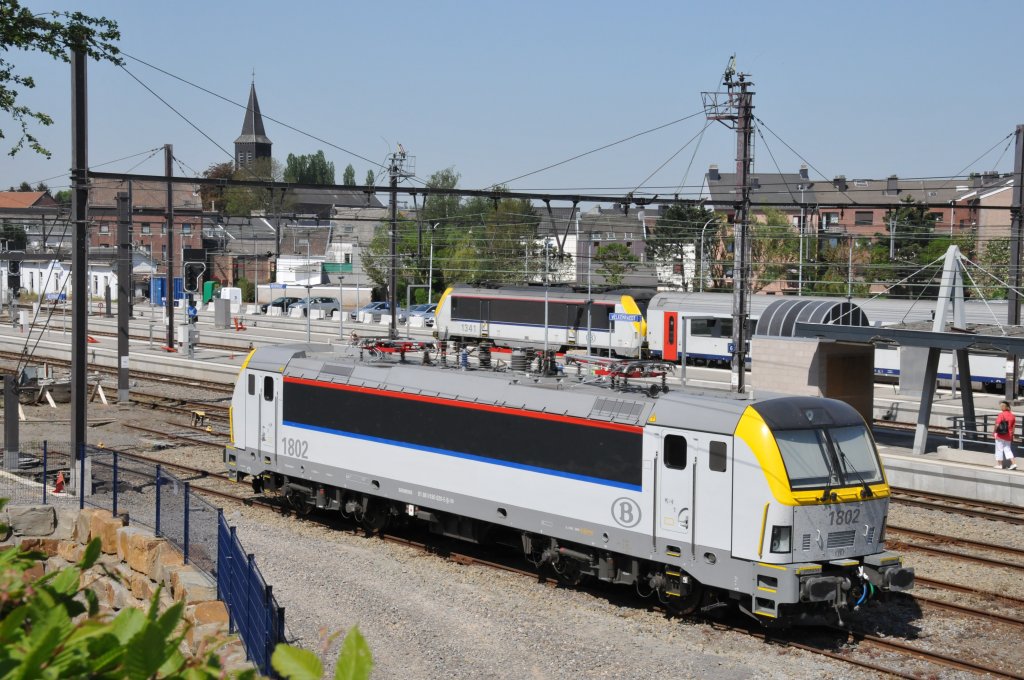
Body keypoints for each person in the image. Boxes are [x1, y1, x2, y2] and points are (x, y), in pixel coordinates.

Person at [993, 400, 1017, 470]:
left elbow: (997, 424)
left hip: (1000, 435)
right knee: (1008, 450)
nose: (1001, 407)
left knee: (999, 449)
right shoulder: (1012, 416)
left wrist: (994, 432)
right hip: (1008, 435)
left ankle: (999, 464)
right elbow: (1013, 427)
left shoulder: (1001, 414)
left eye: (1002, 406)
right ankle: (1013, 464)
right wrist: (1012, 435)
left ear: (1004, 407)